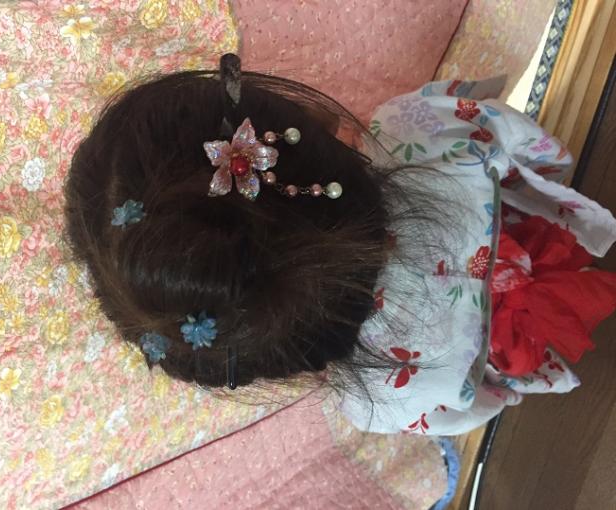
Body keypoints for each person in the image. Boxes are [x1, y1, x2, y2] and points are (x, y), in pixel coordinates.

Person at [65, 54, 616, 435]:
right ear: (304, 124)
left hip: (540, 347)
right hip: (566, 209)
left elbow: (483, 402)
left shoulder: (378, 402)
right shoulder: (421, 129)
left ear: (283, 354)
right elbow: (538, 148)